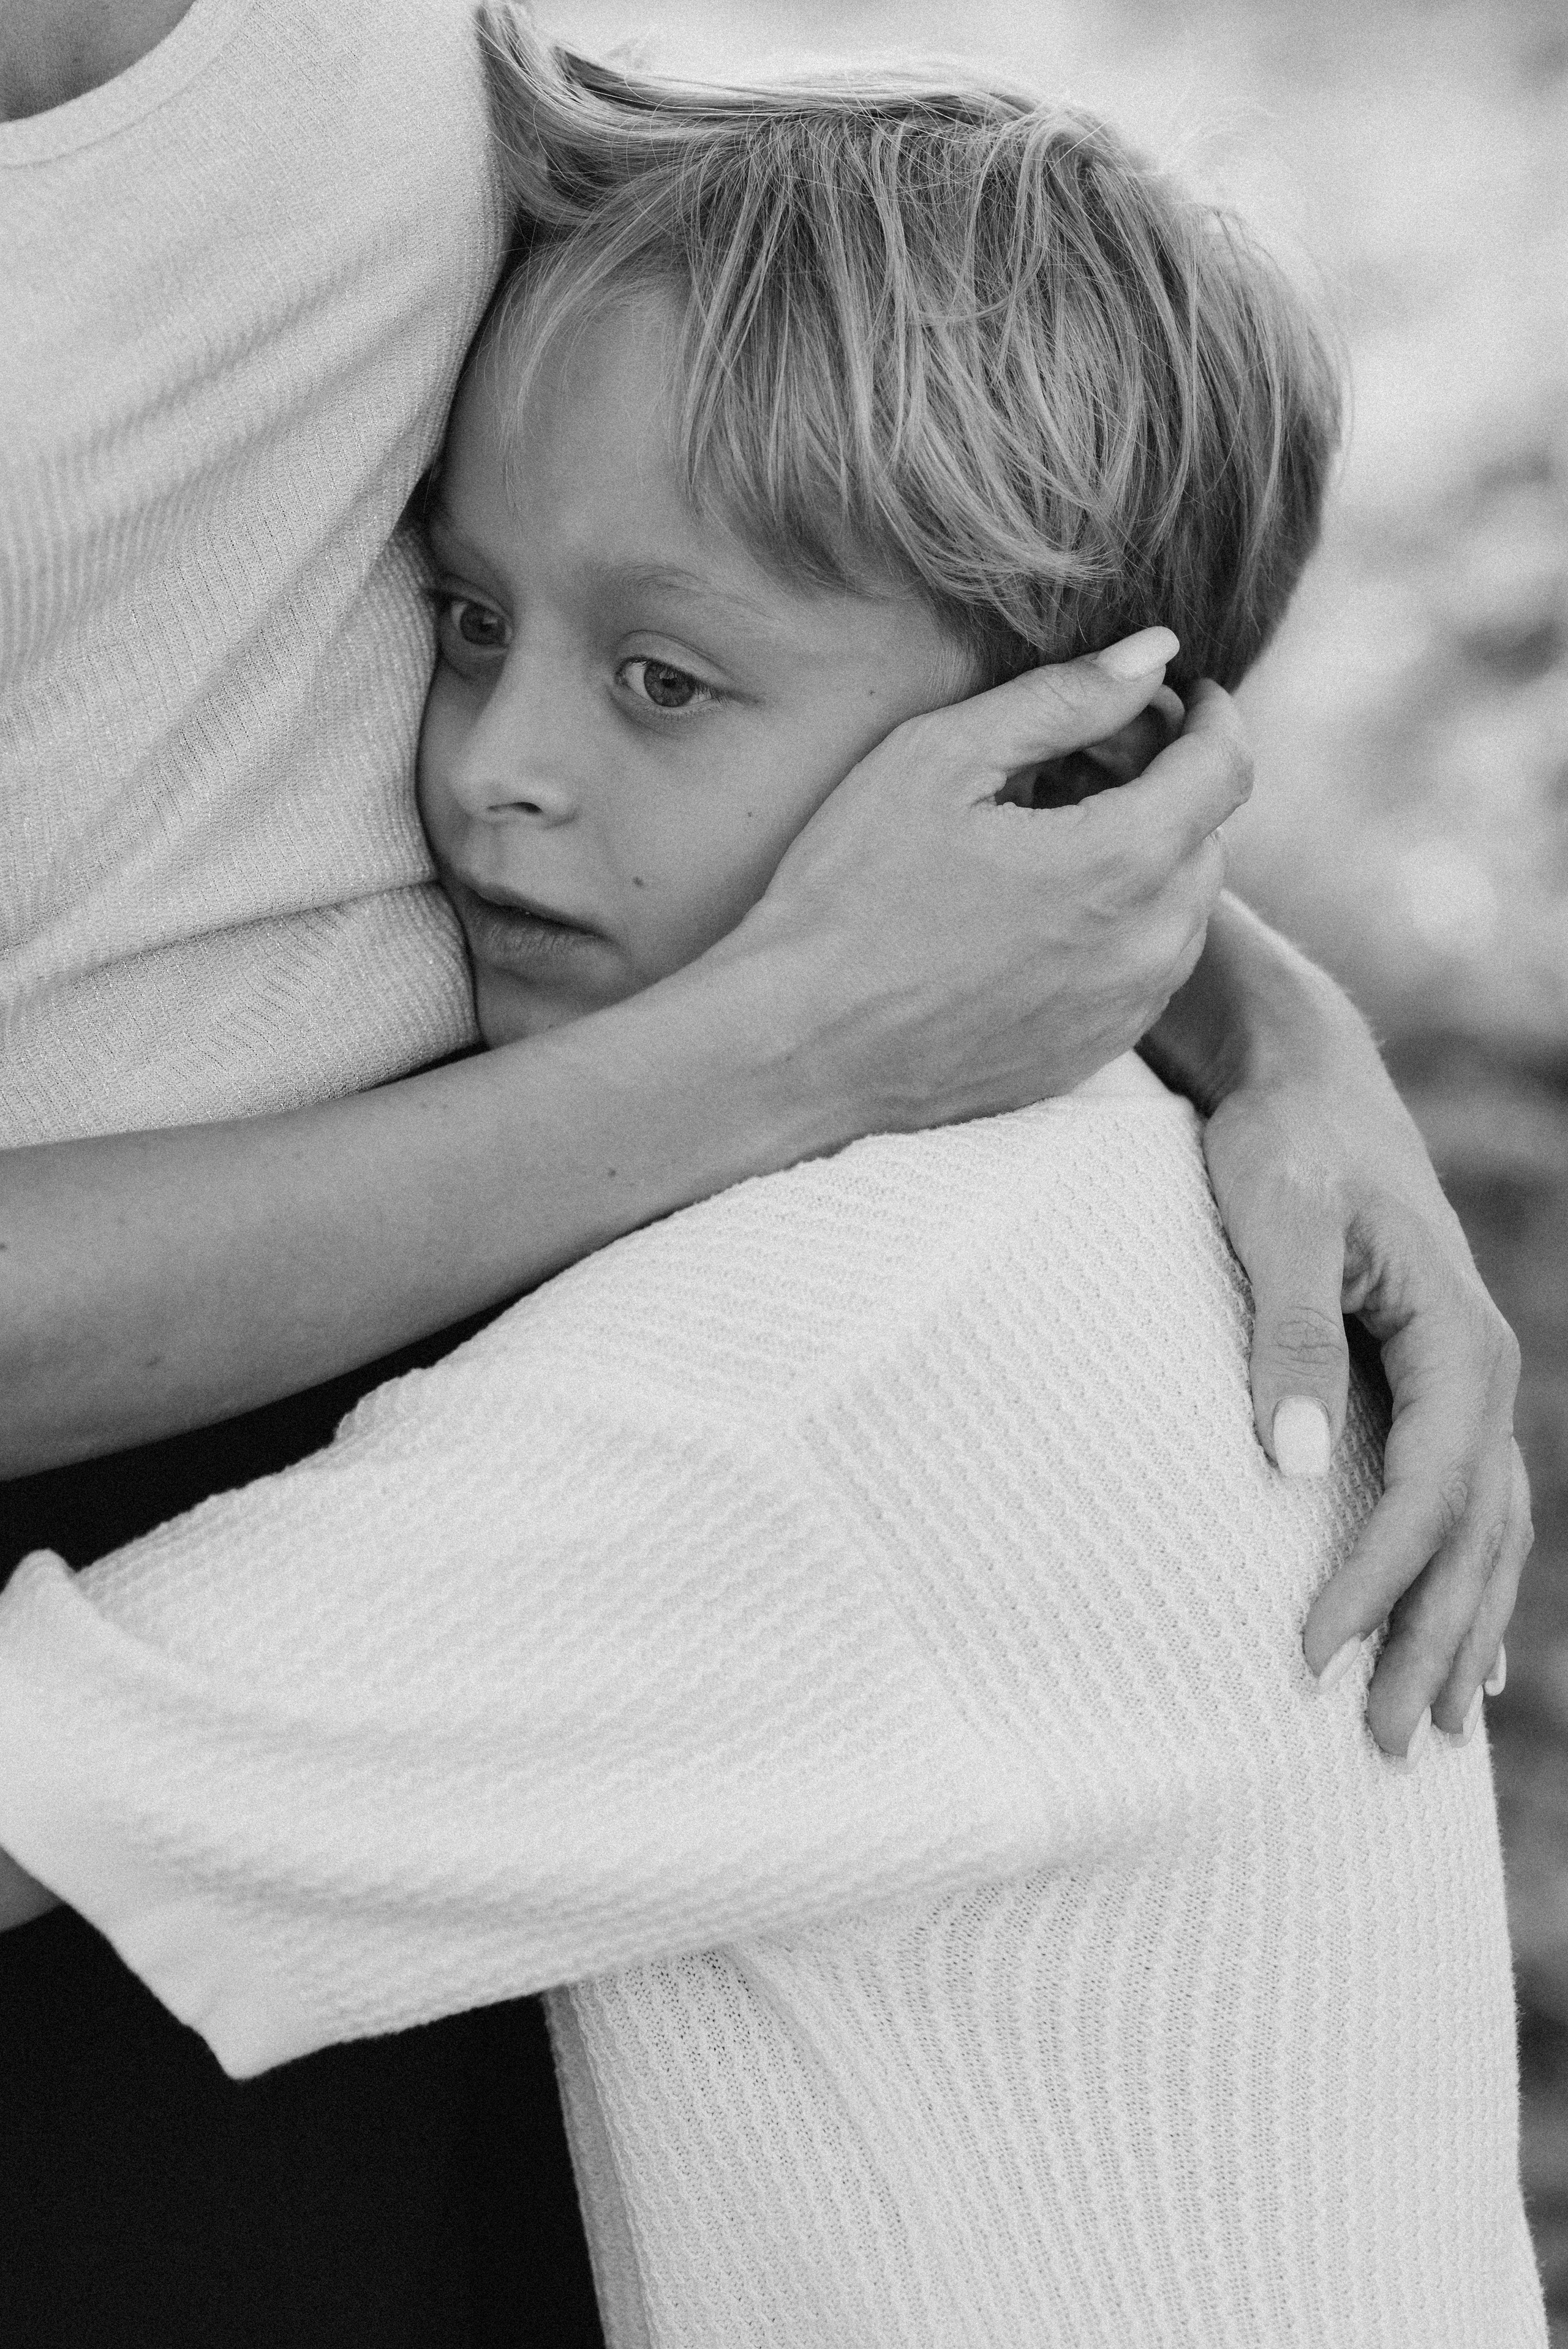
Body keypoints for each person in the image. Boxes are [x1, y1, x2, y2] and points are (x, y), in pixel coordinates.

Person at [0, 24, 1544, 2342]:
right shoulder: (1078, 1219)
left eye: (663, 682)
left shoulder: (814, 1362)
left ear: (1070, 761)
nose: (491, 769)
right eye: (467, 622)